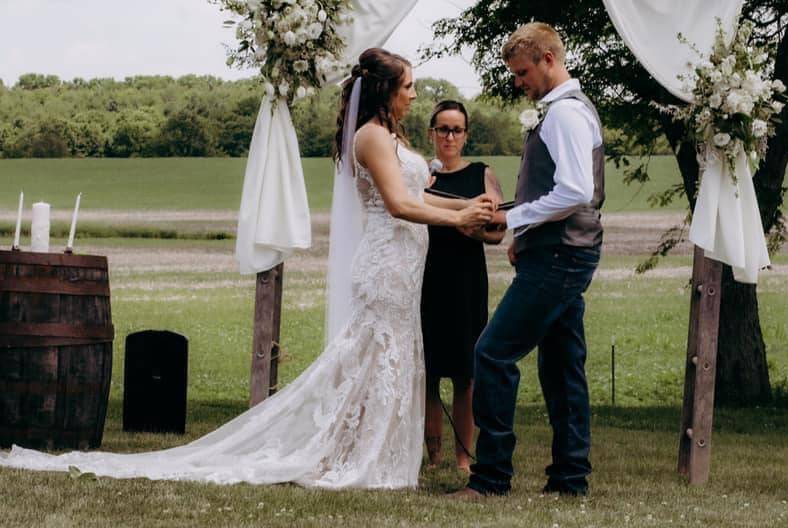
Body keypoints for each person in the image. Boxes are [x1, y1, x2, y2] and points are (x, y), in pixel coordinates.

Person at [0, 47, 495, 489]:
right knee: (375, 361)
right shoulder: (370, 136)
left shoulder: (391, 134)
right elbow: (398, 205)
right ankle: (355, 456)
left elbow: (420, 195)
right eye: (408, 86)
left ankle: (376, 454)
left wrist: (466, 206)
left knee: (387, 362)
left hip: (405, 266)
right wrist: (459, 220)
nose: (414, 94)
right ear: (387, 90)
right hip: (386, 264)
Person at [454, 22, 604, 499]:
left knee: (492, 353)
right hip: (563, 250)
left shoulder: (564, 115)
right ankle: (569, 479)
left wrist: (517, 219)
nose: (518, 82)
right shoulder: (564, 110)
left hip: (562, 254)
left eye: (522, 72)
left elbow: (576, 191)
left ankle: (491, 478)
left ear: (547, 59)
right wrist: (526, 231)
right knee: (562, 367)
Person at [420, 100, 505, 471]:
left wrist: (477, 230)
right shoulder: (420, 175)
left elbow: (498, 231)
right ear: (432, 133)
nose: (449, 136)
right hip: (425, 276)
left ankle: (462, 457)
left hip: (467, 278)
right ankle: (432, 454)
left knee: (465, 375)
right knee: (427, 373)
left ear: (466, 135)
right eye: (443, 129)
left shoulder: (483, 174)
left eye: (456, 130)